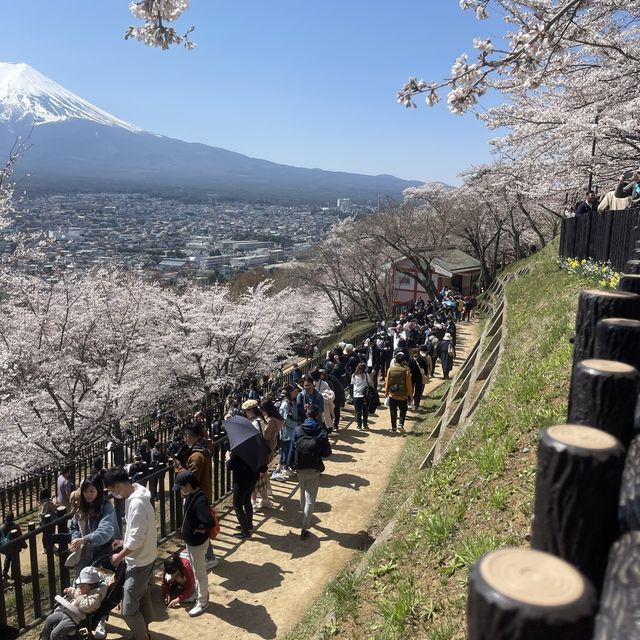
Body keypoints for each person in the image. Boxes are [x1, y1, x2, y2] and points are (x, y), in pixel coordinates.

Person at [104, 467, 157, 640]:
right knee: (142, 595)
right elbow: (138, 532)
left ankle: (142, 636)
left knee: (128, 609)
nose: (113, 494)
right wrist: (123, 542)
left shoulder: (136, 503)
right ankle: (145, 628)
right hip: (147, 556)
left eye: (112, 490)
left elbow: (136, 540)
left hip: (140, 562)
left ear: (118, 486)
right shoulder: (138, 494)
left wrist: (119, 556)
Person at [175, 423, 218, 570]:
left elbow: (190, 479)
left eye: (186, 436)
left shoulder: (197, 456)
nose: (184, 439)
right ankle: (205, 554)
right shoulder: (203, 448)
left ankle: (209, 557)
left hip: (196, 495)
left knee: (199, 525)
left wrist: (178, 467)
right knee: (197, 523)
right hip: (201, 493)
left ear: (191, 436)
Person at [173, 471, 214, 617]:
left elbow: (209, 521)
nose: (180, 490)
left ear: (189, 485)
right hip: (191, 542)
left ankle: (203, 601)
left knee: (200, 572)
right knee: (196, 570)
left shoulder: (200, 500)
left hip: (197, 543)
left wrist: (200, 529)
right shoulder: (191, 495)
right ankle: (197, 594)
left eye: (181, 487)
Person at [289, 404, 332, 540]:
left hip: (300, 467)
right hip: (314, 468)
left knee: (302, 493)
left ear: (306, 414)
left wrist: (290, 464)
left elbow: (292, 449)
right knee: (310, 498)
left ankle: (306, 515)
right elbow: (326, 453)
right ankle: (305, 526)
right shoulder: (321, 431)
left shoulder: (297, 430)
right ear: (318, 415)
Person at [41, 566, 107, 640]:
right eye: (79, 585)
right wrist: (70, 591)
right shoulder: (83, 590)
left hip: (75, 618)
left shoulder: (96, 596)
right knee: (49, 619)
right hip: (66, 612)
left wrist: (78, 597)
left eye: (83, 585)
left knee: (55, 634)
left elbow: (86, 606)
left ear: (92, 585)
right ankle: (44, 638)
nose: (80, 587)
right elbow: (76, 593)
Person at [242, 400, 274, 510]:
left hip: (254, 455)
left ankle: (253, 503)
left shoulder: (255, 423)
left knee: (254, 479)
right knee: (262, 477)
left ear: (250, 410)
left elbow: (252, 439)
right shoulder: (261, 419)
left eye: (246, 411)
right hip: (262, 453)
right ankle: (265, 500)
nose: (246, 414)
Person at [225, 448, 259, 540]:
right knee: (247, 501)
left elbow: (231, 466)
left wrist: (228, 458)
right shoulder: (256, 447)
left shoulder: (239, 451)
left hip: (242, 481)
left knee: (237, 505)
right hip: (253, 477)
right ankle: (248, 525)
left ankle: (246, 533)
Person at [273, 384, 301, 480]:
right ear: (290, 392)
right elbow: (285, 420)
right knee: (285, 452)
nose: (296, 394)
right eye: (295, 392)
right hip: (287, 432)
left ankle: (286, 467)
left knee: (289, 451)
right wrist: (297, 425)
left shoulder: (292, 402)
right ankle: (277, 471)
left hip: (292, 431)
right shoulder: (285, 404)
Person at [384, 352, 412, 434]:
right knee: (403, 409)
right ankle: (401, 424)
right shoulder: (406, 370)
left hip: (393, 394)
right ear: (403, 361)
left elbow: (387, 381)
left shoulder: (390, 369)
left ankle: (393, 428)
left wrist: (386, 391)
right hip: (402, 394)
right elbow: (408, 384)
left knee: (393, 411)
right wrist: (410, 394)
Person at [1, 512, 26, 580]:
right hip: (14, 548)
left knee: (8, 559)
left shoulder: (2, 527)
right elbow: (20, 537)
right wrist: (24, 545)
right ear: (13, 518)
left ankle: (4, 573)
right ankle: (13, 575)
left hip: (6, 548)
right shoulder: (16, 527)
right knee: (14, 561)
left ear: (5, 518)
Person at [351, 362, 372, 430]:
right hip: (365, 395)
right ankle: (365, 425)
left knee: (358, 411)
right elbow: (370, 383)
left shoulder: (354, 375)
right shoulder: (366, 375)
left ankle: (359, 426)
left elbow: (352, 384)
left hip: (356, 395)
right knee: (365, 410)